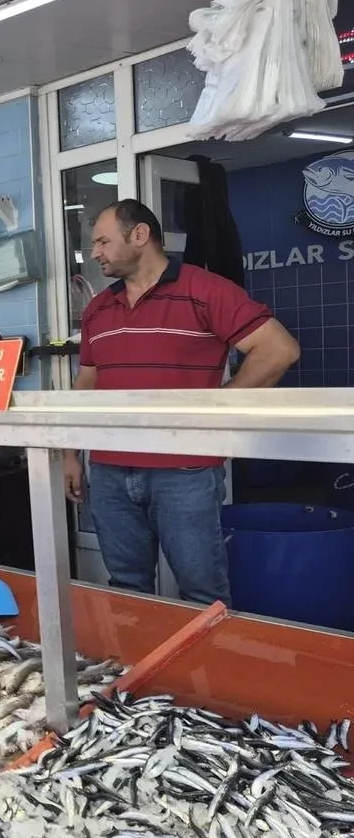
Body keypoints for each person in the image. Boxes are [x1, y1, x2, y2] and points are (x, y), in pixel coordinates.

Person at [65, 199, 299, 605]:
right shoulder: (98, 310)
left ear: (139, 235)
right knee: (126, 588)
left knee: (202, 592)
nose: (95, 253)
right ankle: (140, 669)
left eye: (103, 241)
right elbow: (87, 381)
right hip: (108, 472)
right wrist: (70, 453)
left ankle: (206, 670)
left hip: (184, 471)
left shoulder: (205, 290)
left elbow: (278, 350)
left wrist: (218, 407)